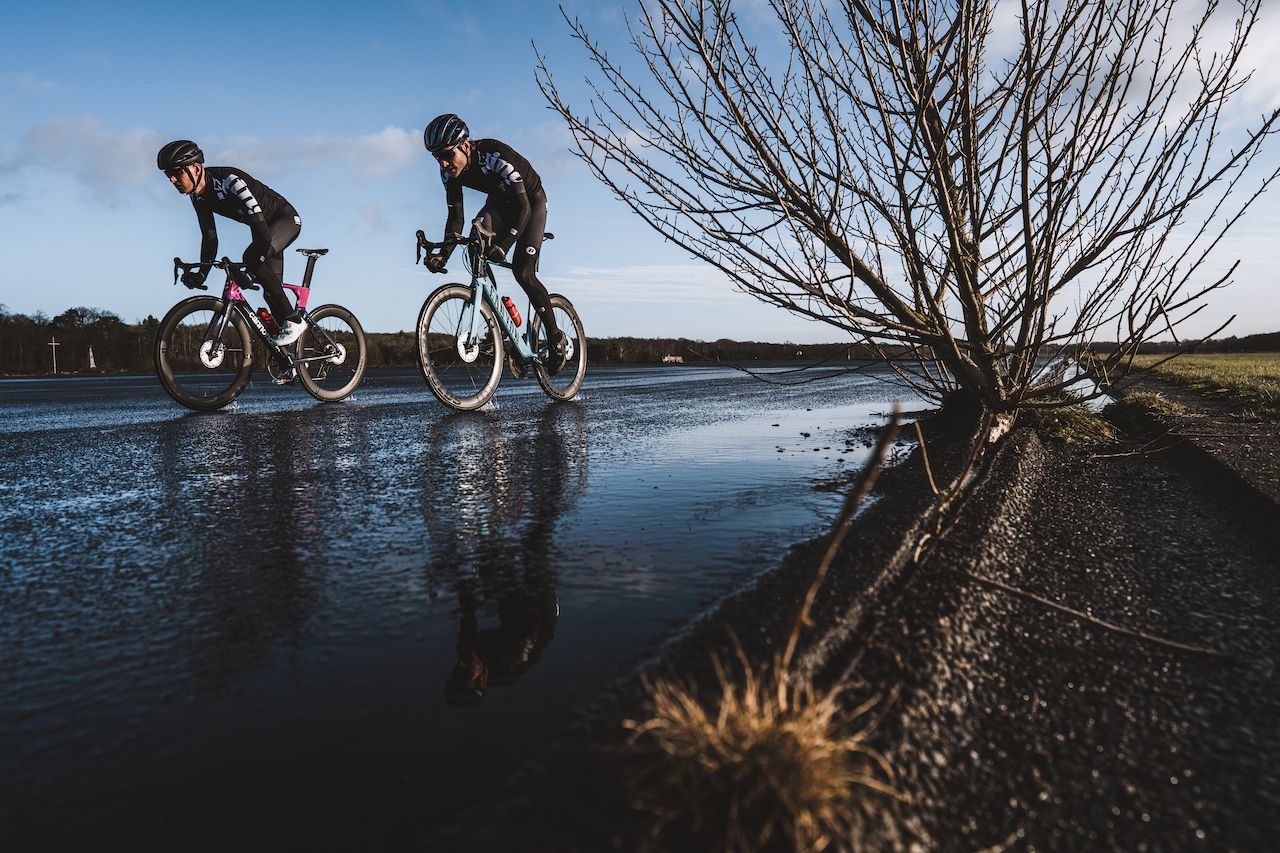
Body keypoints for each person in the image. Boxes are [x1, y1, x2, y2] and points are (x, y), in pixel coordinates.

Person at [420, 114, 568, 374]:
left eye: (446, 154)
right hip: (500, 203)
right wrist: (443, 255)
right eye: (437, 158)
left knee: (523, 272)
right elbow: (456, 219)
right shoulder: (449, 173)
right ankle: (498, 321)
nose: (443, 163)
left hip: (530, 204)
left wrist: (505, 244)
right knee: (475, 240)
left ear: (465, 146)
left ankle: (555, 338)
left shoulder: (495, 156)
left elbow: (522, 209)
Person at [156, 140, 307, 347]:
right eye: (168, 175)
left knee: (251, 260)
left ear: (196, 168)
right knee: (271, 293)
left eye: (176, 172)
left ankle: (295, 320)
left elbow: (262, 233)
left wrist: (251, 272)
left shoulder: (230, 180)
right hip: (262, 230)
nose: (172, 179)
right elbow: (210, 238)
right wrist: (202, 274)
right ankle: (294, 362)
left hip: (283, 221)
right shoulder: (198, 198)